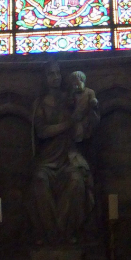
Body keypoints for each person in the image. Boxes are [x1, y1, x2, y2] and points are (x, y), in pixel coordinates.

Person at [30, 63, 99, 245]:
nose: (55, 77)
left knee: (76, 181)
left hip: (69, 155)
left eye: (58, 73)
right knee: (39, 181)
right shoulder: (41, 104)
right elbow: (42, 132)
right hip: (49, 158)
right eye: (51, 74)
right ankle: (51, 233)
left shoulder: (70, 98)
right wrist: (68, 124)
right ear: (45, 78)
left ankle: (64, 232)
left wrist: (89, 109)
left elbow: (86, 109)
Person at [68, 70, 98, 142]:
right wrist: (71, 101)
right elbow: (70, 104)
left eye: (78, 84)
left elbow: (93, 102)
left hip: (86, 115)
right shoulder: (73, 93)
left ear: (83, 82)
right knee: (77, 132)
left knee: (87, 132)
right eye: (74, 85)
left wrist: (94, 102)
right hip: (77, 116)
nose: (77, 87)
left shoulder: (89, 92)